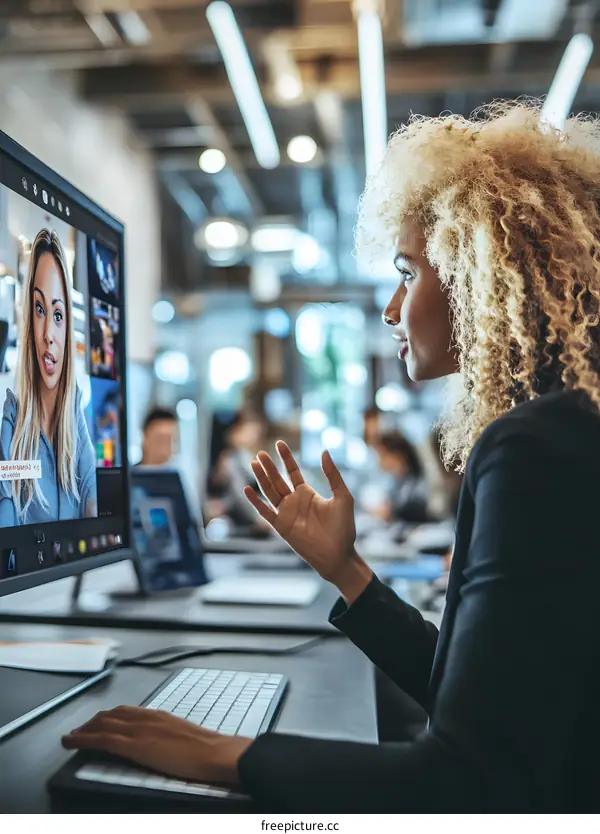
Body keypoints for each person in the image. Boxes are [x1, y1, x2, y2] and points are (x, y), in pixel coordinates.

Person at [63, 101, 600, 811]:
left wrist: (230, 753)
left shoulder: (535, 448)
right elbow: (486, 712)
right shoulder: (563, 429)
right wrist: (344, 569)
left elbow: (469, 782)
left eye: (407, 273)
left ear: (477, 270)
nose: (390, 309)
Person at [0, 229, 96, 525]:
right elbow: (6, 506)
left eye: (57, 315)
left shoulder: (75, 418)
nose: (47, 336)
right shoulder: (12, 420)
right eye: (39, 310)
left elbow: (92, 496)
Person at [372, 430, 430, 524]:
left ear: (397, 455)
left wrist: (391, 511)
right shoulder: (397, 480)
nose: (379, 462)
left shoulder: (418, 478)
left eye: (382, 456)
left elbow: (420, 511)